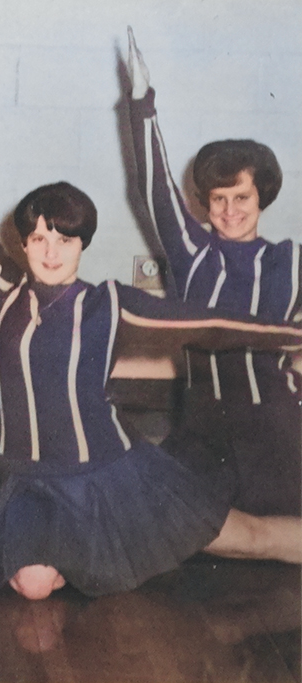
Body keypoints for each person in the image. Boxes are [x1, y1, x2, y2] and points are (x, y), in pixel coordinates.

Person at [0, 51, 302, 601]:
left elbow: (213, 323)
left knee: (246, 537)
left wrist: (290, 336)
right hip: (32, 481)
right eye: (39, 238)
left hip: (111, 475)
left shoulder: (107, 302)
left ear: (83, 245)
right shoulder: (2, 294)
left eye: (65, 239)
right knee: (32, 585)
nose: (51, 251)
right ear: (23, 244)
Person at [126, 28, 301, 517]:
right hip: (205, 428)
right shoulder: (193, 252)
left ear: (261, 195)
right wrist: (142, 103)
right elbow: (154, 187)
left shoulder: (292, 259)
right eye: (218, 199)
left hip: (277, 429)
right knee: (176, 530)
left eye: (241, 197)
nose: (229, 211)